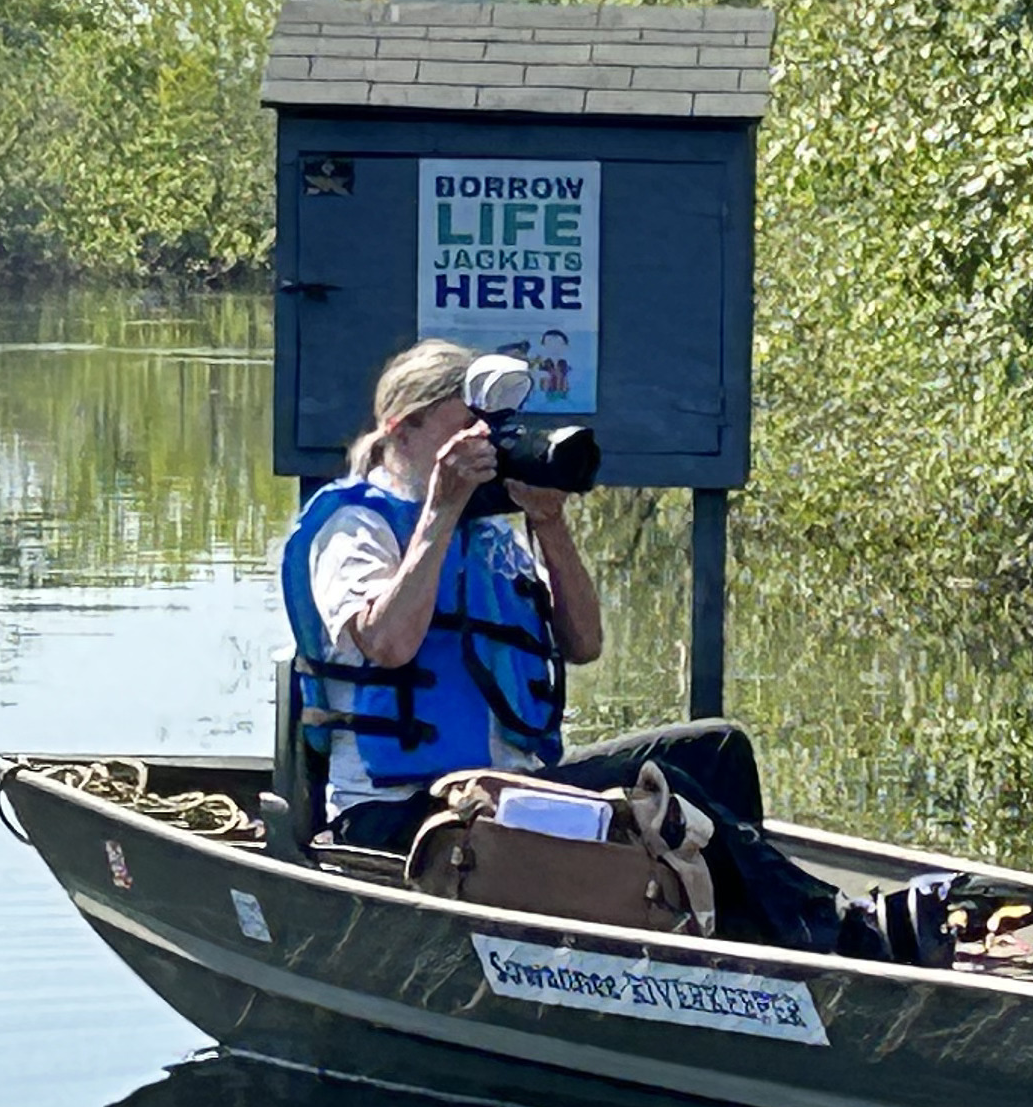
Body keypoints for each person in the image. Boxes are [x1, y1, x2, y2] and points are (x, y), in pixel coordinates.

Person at [280, 340, 837, 941]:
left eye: (492, 427)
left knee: (714, 750)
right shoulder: (355, 525)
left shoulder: (489, 533)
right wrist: (440, 509)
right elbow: (388, 644)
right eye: (466, 421)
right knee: (672, 790)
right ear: (405, 426)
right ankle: (826, 928)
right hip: (407, 810)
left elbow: (585, 641)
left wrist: (549, 523)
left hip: (513, 791)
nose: (486, 441)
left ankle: (759, 930)